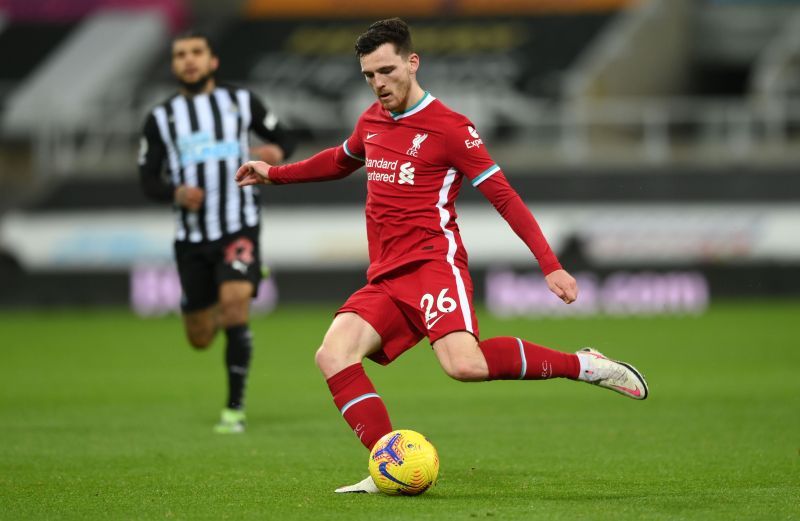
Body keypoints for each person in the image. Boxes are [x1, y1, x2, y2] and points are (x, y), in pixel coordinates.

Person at [236, 18, 648, 490]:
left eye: (386, 70)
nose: (378, 84)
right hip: (387, 275)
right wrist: (275, 174)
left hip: (434, 264)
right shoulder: (371, 121)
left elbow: (504, 197)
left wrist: (550, 265)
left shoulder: (451, 128)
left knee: (463, 365)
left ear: (413, 63)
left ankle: (585, 365)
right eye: (369, 75)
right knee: (333, 354)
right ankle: (389, 464)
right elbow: (339, 160)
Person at [139, 31, 295, 434]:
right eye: (180, 55)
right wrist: (175, 192)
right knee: (201, 337)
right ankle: (238, 280)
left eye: (196, 53)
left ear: (212, 61)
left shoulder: (241, 102)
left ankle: (234, 411)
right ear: (173, 65)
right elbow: (147, 179)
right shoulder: (160, 119)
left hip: (238, 226)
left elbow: (285, 138)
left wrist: (276, 153)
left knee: (234, 307)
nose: (189, 60)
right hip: (191, 239)